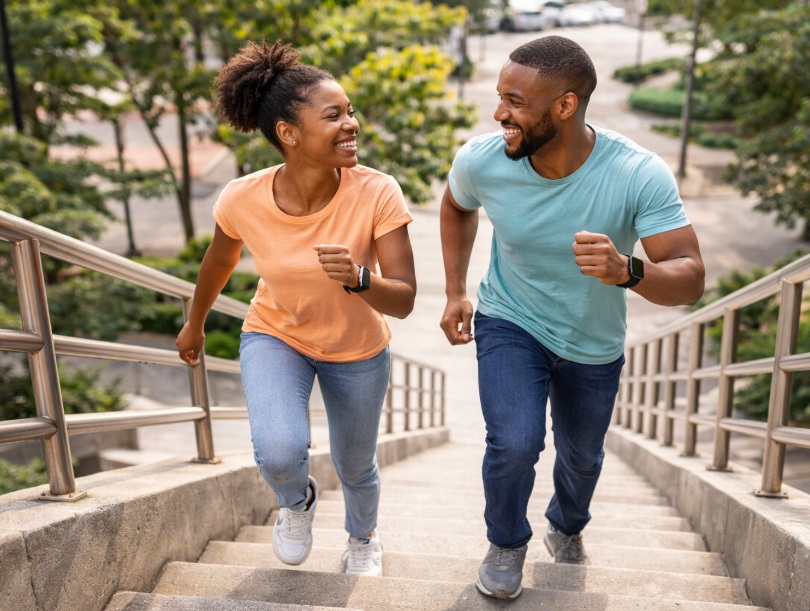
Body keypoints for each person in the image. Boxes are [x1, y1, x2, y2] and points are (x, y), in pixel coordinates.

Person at [439, 35, 705, 600]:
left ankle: (566, 525)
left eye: (515, 102)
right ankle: (506, 543)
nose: (499, 113)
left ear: (565, 105)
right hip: (510, 320)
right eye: (499, 97)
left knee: (582, 458)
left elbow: (690, 278)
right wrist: (456, 290)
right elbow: (456, 206)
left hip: (592, 340)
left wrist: (627, 270)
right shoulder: (482, 160)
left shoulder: (637, 173)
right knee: (514, 442)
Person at [176, 41, 416, 577]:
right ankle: (296, 501)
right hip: (276, 334)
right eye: (333, 116)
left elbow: (403, 299)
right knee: (279, 452)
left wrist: (359, 278)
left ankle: (363, 539)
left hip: (357, 349)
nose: (351, 124)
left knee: (355, 465)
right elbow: (219, 260)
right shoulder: (241, 197)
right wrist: (195, 323)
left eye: (350, 111)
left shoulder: (378, 191)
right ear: (289, 133)